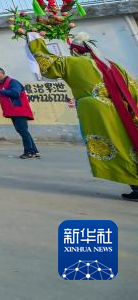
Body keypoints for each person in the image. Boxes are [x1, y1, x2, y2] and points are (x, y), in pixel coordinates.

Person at [29, 34, 138, 201]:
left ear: (75, 51)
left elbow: (48, 63)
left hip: (97, 111)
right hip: (122, 108)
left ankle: (135, 184)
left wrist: (34, 38)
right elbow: (133, 88)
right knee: (128, 142)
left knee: (115, 146)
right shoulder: (112, 65)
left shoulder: (72, 62)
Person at [0, 68, 39, 159]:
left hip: (19, 110)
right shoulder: (0, 84)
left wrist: (0, 91)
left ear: (2, 73)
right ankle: (34, 151)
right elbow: (3, 97)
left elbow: (16, 93)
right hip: (12, 111)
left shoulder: (13, 82)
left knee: (23, 131)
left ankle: (29, 152)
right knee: (23, 131)